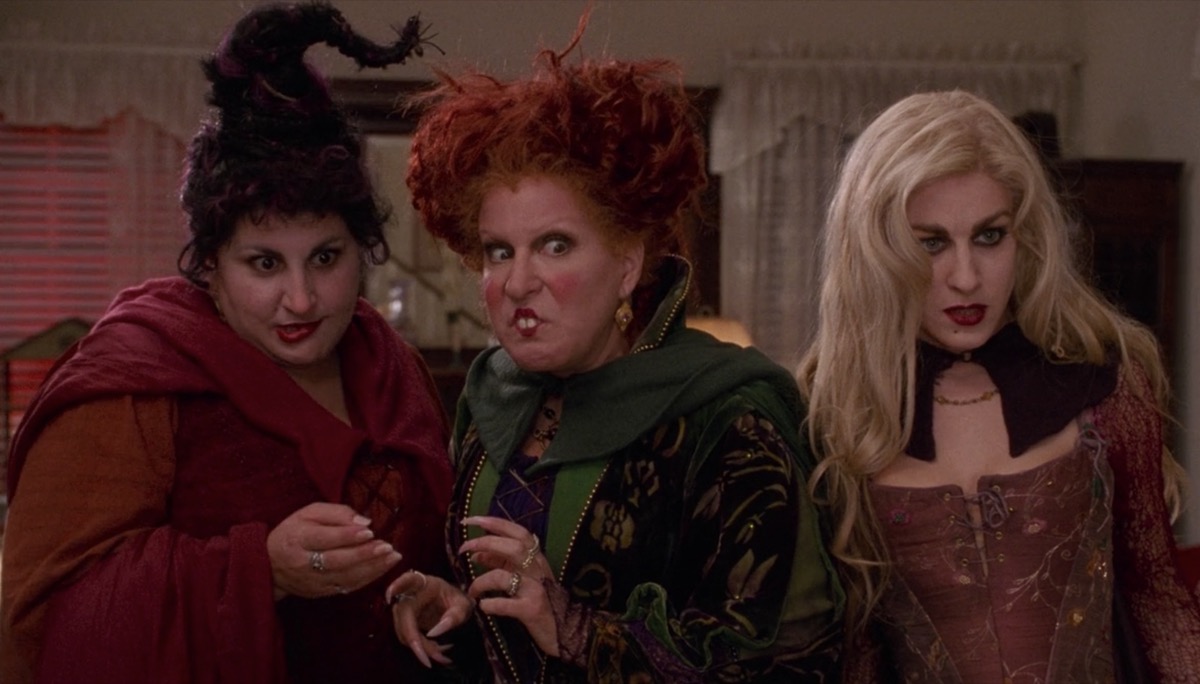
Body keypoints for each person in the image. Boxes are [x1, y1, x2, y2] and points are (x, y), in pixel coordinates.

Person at [0, 4, 455, 683]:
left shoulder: (396, 366)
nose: (301, 299)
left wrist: (440, 595)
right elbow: (43, 625)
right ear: (210, 265)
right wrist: (259, 572)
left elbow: (435, 550)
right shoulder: (132, 384)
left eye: (326, 257)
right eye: (265, 263)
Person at [383, 22, 844, 684]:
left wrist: (576, 630)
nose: (518, 282)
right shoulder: (492, 400)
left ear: (627, 264)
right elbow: (508, 609)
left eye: (555, 245)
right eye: (499, 251)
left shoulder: (730, 419)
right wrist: (459, 603)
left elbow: (785, 658)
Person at [796, 89, 1200, 682]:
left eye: (989, 236)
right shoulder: (837, 417)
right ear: (878, 252)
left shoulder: (1106, 388)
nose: (966, 277)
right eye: (931, 242)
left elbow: (1159, 605)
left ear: (1025, 236)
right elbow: (855, 654)